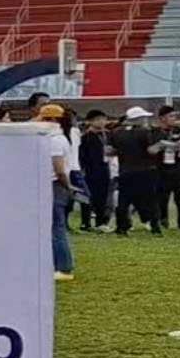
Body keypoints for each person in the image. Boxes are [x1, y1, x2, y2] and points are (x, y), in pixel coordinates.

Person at [109, 106, 163, 235]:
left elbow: (109, 151)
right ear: (138, 119)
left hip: (125, 170)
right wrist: (162, 145)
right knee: (150, 199)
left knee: (124, 201)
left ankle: (121, 227)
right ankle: (155, 226)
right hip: (144, 170)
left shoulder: (116, 132)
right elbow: (151, 150)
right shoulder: (144, 132)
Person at [36, 104, 74, 282]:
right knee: (54, 227)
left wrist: (67, 186)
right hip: (56, 185)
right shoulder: (57, 138)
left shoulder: (55, 140)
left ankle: (64, 267)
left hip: (55, 185)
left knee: (56, 229)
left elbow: (59, 169)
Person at [155, 105, 180, 230]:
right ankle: (162, 221)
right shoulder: (154, 132)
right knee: (161, 197)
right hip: (161, 167)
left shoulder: (179, 131)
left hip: (178, 167)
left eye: (174, 116)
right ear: (162, 118)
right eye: (170, 116)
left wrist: (175, 146)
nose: (174, 119)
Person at [76, 110, 113, 231]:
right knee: (88, 196)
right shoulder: (85, 137)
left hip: (104, 168)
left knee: (103, 196)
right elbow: (81, 155)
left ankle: (100, 222)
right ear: (90, 122)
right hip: (90, 170)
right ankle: (85, 222)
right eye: (98, 120)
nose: (102, 122)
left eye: (103, 119)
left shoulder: (107, 135)